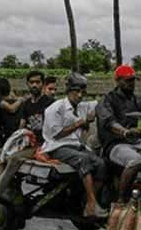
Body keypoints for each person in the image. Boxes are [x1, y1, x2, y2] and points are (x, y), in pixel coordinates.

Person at [0, 70, 56, 207]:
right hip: (27, 141)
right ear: (27, 84)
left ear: (43, 84)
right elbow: (22, 125)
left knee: (15, 158)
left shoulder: (50, 103)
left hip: (42, 144)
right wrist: (12, 142)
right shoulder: (26, 104)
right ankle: (6, 190)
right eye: (32, 82)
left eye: (38, 82)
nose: (34, 85)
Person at [41, 73, 108, 219]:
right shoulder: (55, 108)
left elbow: (101, 103)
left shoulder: (83, 106)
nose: (79, 95)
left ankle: (88, 201)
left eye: (82, 92)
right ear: (68, 91)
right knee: (83, 160)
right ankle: (91, 204)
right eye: (76, 91)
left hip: (75, 146)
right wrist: (80, 123)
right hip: (57, 147)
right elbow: (56, 135)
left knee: (102, 164)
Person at [96, 65, 141, 203]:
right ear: (118, 81)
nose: (132, 83)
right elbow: (109, 122)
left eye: (133, 80)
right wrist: (125, 132)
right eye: (128, 80)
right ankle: (121, 201)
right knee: (135, 160)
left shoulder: (138, 100)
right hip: (114, 144)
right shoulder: (107, 100)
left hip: (135, 143)